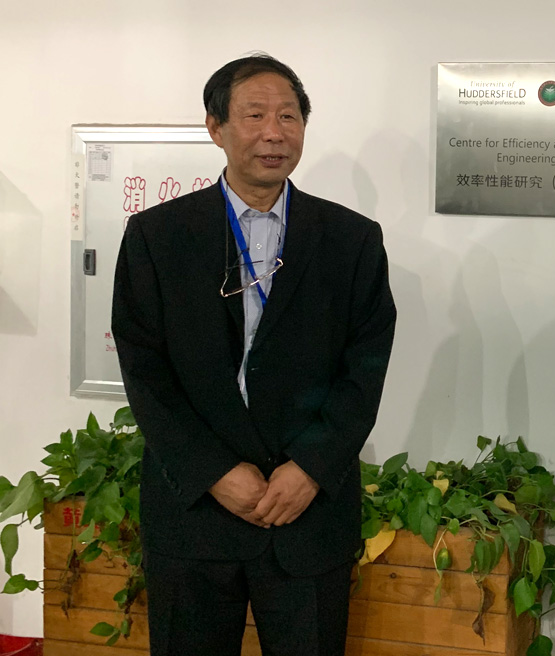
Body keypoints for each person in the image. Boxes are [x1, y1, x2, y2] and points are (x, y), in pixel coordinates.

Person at [111, 54, 397, 656]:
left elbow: (365, 370)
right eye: (255, 115)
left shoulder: (351, 239)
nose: (275, 132)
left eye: (289, 116)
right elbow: (145, 371)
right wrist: (213, 471)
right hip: (194, 514)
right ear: (215, 127)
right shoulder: (157, 237)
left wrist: (310, 468)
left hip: (306, 515)